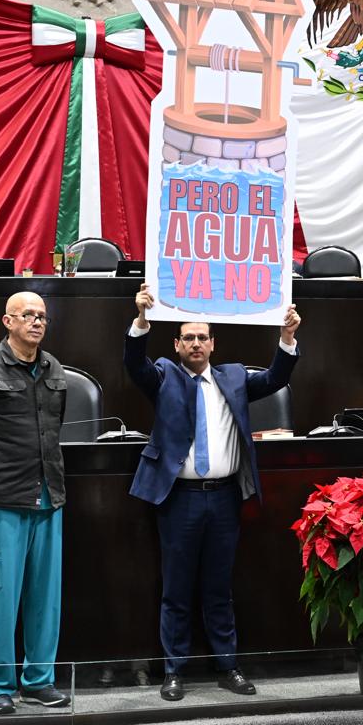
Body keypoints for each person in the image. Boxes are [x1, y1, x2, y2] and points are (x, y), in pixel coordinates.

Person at [125, 283, 301, 703]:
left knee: (219, 587)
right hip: (179, 499)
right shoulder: (164, 376)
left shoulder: (234, 377)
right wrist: (141, 320)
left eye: (202, 337)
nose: (196, 343)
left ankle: (228, 665)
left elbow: (276, 378)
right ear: (177, 344)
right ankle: (174, 671)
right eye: (188, 337)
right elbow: (135, 365)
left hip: (224, 498)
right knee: (176, 589)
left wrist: (287, 338)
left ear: (213, 343)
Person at [0, 292, 71, 716]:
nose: (37, 322)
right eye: (28, 315)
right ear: (8, 321)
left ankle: (38, 681)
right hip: (1, 497)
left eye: (42, 316)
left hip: (48, 495)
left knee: (45, 598)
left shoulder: (54, 368)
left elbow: (54, 427)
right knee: (1, 596)